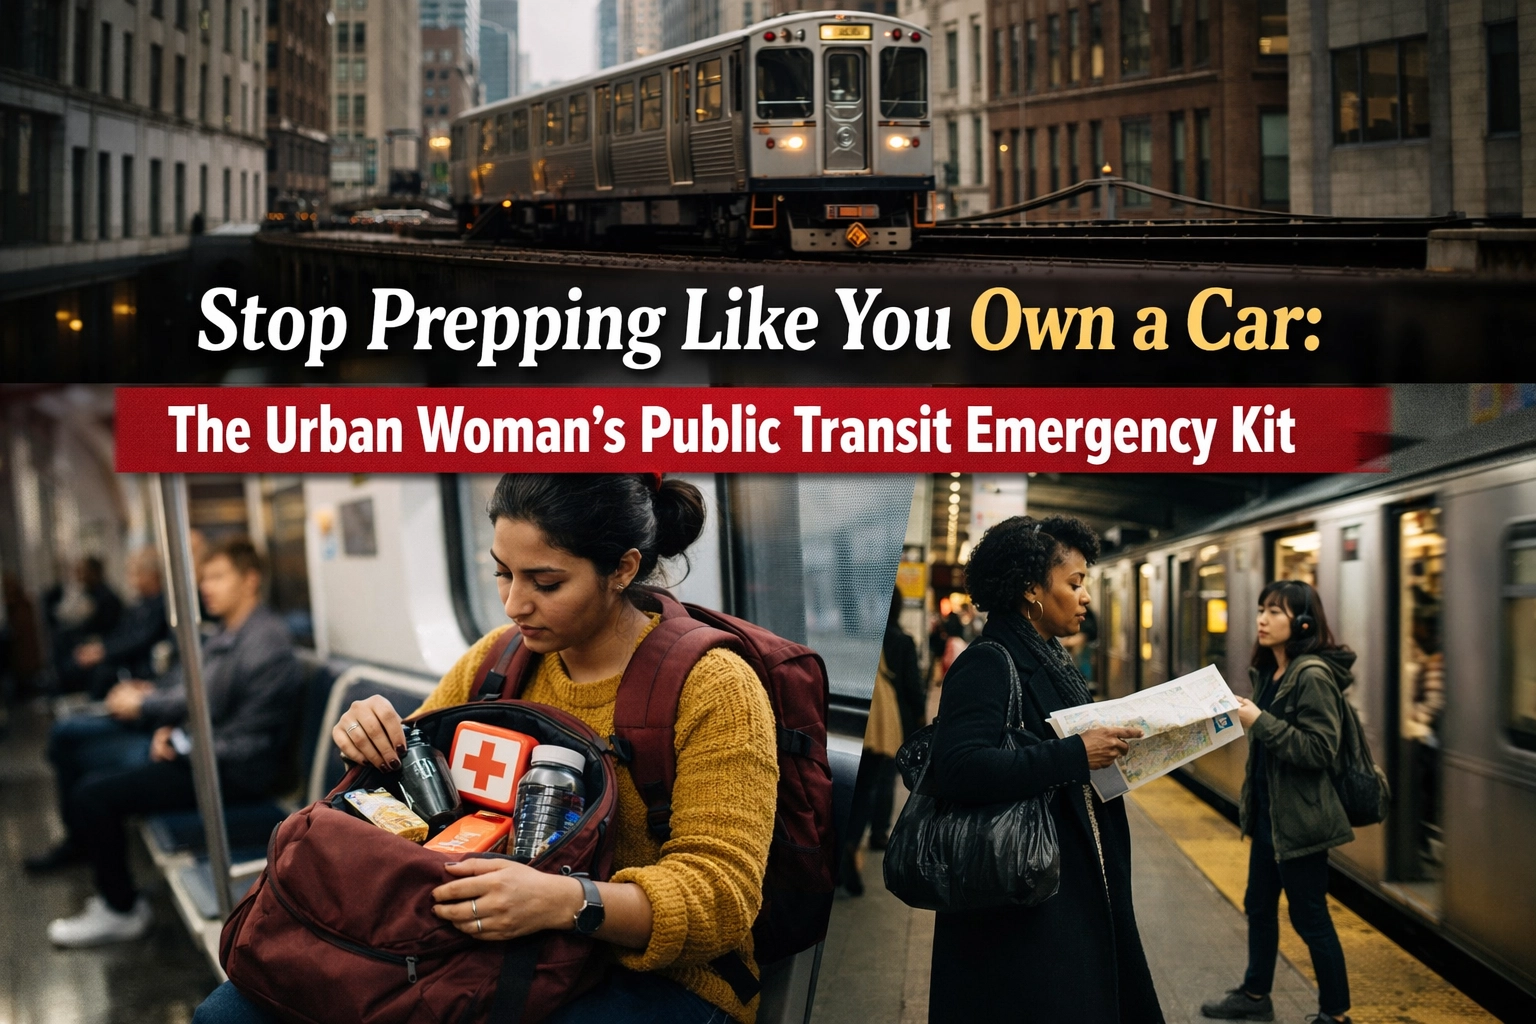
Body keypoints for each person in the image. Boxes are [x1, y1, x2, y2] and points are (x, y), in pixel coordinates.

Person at [195, 474, 778, 1024]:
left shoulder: (713, 687)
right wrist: (373, 738)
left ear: (623, 569)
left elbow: (721, 897)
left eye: (545, 583)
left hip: (647, 970)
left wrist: (564, 901)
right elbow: (413, 783)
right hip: (482, 938)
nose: (513, 604)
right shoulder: (498, 662)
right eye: (502, 573)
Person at [924, 515, 1161, 1023]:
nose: (1085, 597)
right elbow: (961, 768)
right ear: (1032, 588)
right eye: (1074, 583)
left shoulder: (1049, 657)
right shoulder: (989, 662)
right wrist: (1077, 754)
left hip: (1067, 877)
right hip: (1022, 898)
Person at [41, 538, 302, 947]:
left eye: (217, 577)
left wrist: (182, 743)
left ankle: (121, 910)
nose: (206, 587)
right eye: (203, 579)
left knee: (94, 795)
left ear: (251, 581)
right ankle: (113, 894)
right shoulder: (232, 633)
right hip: (206, 758)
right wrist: (178, 731)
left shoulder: (264, 645)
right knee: (93, 781)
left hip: (232, 774)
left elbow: (251, 744)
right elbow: (208, 706)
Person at [1201, 580, 1355, 1024]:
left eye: (1275, 612)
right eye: (1262, 610)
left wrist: (1260, 721)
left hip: (1302, 821)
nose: (1262, 620)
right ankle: (1255, 996)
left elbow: (1321, 749)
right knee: (1259, 906)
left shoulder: (1312, 676)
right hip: (1270, 816)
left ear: (1303, 623)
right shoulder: (1270, 672)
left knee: (1310, 918)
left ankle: (1336, 1014)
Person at [841, 588, 927, 893]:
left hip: (848, 715)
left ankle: (841, 846)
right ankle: (864, 837)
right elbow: (913, 686)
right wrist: (920, 718)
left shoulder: (853, 636)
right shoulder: (902, 641)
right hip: (886, 720)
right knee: (873, 784)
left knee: (845, 786)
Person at [58, 547, 170, 698]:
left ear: (153, 575)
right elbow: (121, 632)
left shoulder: (162, 604)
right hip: (125, 657)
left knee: (99, 670)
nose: (131, 580)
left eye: (136, 574)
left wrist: (103, 652)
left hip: (140, 664)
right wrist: (100, 648)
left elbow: (140, 639)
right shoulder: (141, 604)